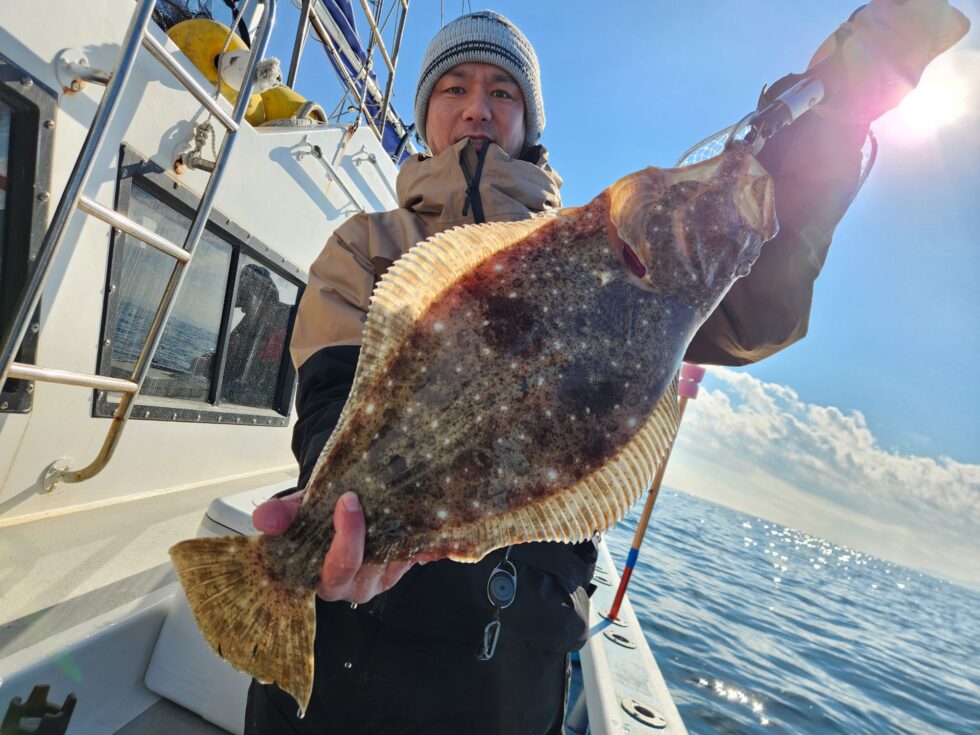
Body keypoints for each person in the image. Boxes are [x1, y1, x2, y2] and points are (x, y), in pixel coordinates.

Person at [244, 5, 967, 733]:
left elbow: (756, 311)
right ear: (425, 111)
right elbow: (335, 388)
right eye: (454, 87)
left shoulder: (597, 249)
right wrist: (348, 519)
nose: (477, 108)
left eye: (502, 91)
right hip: (346, 661)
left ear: (530, 119)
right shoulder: (367, 245)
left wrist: (830, 129)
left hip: (506, 679)